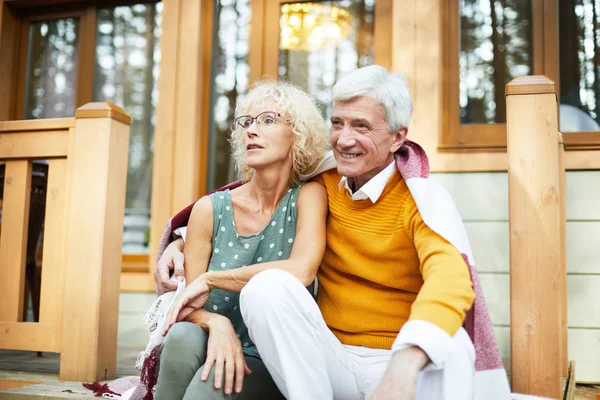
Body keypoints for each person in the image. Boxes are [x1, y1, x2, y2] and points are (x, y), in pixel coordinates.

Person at [157, 66, 509, 400]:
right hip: (331, 355)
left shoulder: (422, 200)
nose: (343, 139)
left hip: (400, 358)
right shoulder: (324, 183)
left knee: (456, 346)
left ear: (397, 137)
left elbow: (451, 282)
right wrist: (180, 240)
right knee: (267, 287)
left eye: (361, 126)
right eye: (337, 123)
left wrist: (408, 357)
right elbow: (253, 197)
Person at [154, 80, 329, 399]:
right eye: (246, 122)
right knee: (180, 337)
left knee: (204, 390)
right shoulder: (210, 208)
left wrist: (212, 279)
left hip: (270, 353)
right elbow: (190, 302)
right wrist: (217, 325)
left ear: (298, 133)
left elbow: (302, 270)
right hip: (211, 336)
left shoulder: (309, 197)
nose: (252, 130)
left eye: (268, 120)